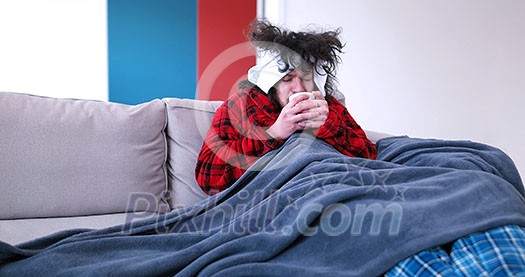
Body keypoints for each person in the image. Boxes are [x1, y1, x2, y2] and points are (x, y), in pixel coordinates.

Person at [195, 20, 377, 195]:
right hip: (282, 194)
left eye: (306, 78)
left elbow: (369, 156)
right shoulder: (239, 107)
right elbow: (208, 176)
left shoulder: (330, 107)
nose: (298, 88)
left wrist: (326, 126)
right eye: (287, 79)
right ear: (271, 83)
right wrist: (272, 133)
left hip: (338, 184)